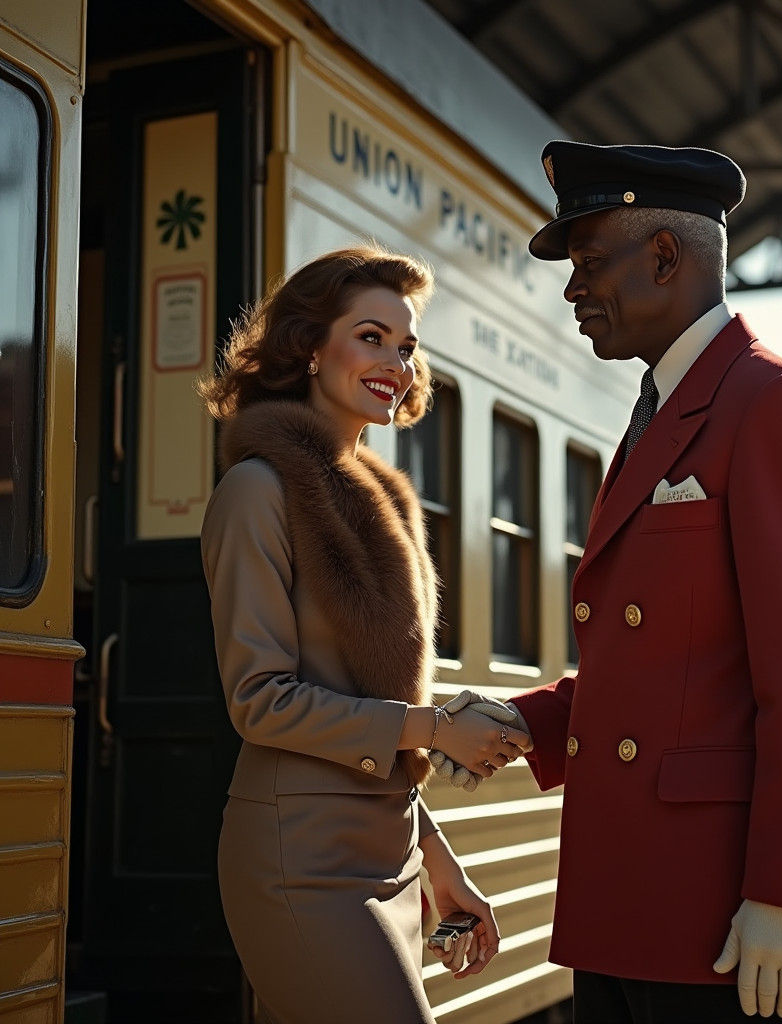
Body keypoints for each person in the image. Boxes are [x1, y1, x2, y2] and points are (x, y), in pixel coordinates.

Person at [498, 142, 782, 1023]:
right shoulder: (664, 410)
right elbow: (667, 664)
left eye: (591, 262)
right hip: (625, 899)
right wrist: (525, 722)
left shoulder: (775, 405)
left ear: (665, 256)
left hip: (718, 915)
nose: (572, 289)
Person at [198, 246, 529, 1024]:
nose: (396, 364)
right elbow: (260, 701)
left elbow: (378, 711)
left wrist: (438, 862)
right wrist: (438, 727)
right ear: (311, 348)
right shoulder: (255, 492)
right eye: (371, 337)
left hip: (393, 856)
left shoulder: (385, 503)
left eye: (406, 347)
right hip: (301, 861)